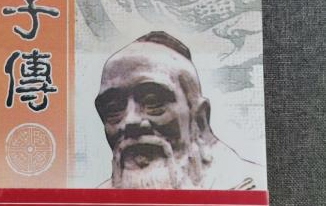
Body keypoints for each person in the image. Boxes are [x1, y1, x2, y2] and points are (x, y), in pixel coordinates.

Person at [95, 31, 264, 190]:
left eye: (153, 102)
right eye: (113, 109)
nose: (130, 121)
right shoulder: (93, 204)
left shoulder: (255, 188)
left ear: (200, 119)